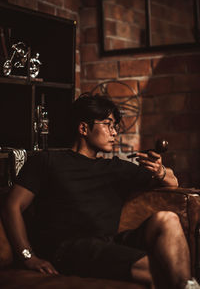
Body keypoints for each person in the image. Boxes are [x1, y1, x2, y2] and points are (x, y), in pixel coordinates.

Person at [2, 93, 200, 289]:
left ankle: (188, 285)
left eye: (115, 127)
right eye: (108, 124)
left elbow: (172, 182)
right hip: (68, 248)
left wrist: (160, 170)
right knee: (156, 270)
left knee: (168, 219)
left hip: (109, 244)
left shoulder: (116, 168)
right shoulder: (46, 161)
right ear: (83, 128)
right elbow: (12, 205)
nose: (114, 133)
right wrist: (28, 256)